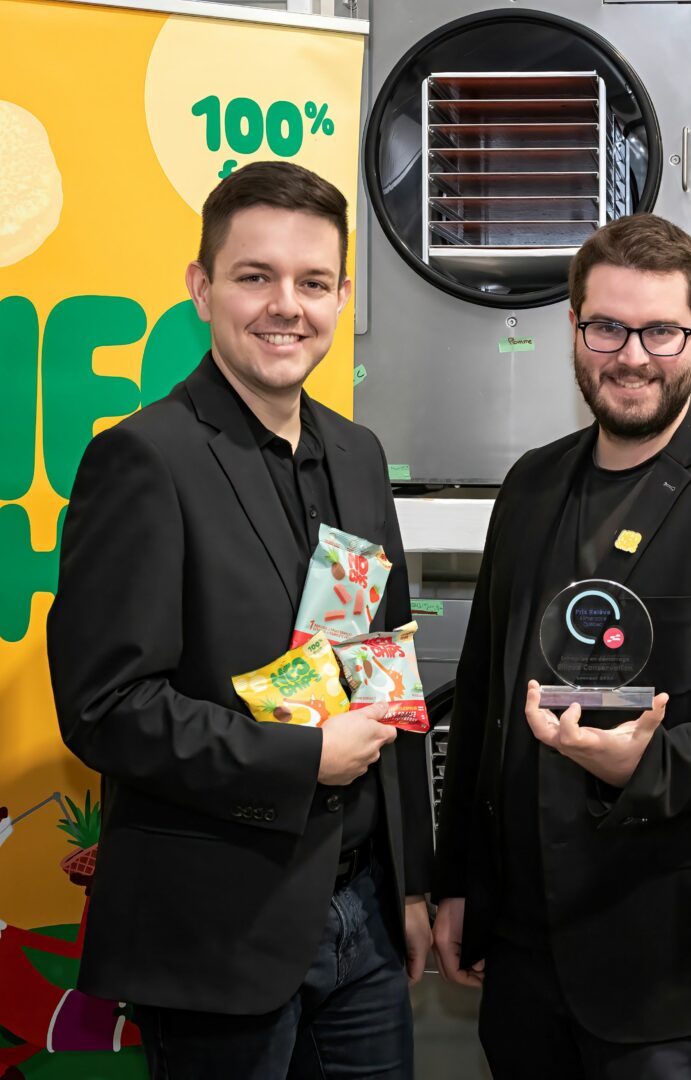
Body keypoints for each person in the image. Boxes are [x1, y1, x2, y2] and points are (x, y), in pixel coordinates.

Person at [49, 161, 432, 1079]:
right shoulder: (142, 459)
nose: (284, 306)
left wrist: (416, 885)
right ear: (201, 287)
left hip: (368, 928)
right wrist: (304, 759)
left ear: (343, 296)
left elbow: (388, 670)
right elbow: (106, 707)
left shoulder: (358, 453)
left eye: (312, 282)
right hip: (217, 935)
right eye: (254, 276)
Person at [430, 213, 691, 1078]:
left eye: (660, 331)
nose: (633, 355)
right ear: (574, 328)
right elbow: (485, 695)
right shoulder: (532, 485)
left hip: (668, 975)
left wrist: (639, 765)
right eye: (607, 327)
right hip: (524, 959)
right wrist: (457, 881)